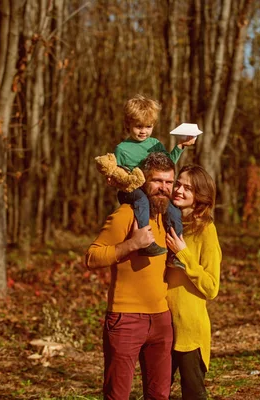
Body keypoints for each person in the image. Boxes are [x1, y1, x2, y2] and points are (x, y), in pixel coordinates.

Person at [85, 152, 177, 400]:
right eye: (157, 181)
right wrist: (131, 244)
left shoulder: (166, 218)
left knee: (159, 395)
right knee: (117, 395)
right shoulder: (126, 214)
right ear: (143, 181)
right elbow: (92, 257)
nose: (163, 188)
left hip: (161, 319)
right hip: (126, 319)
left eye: (169, 182)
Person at [164, 165, 222, 400]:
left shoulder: (206, 230)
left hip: (190, 331)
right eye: (178, 184)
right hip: (163, 327)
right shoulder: (166, 223)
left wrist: (184, 254)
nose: (178, 190)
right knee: (156, 393)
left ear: (200, 196)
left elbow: (211, 287)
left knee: (193, 395)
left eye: (188, 188)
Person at [114, 94, 196, 260]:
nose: (143, 131)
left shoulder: (155, 144)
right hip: (131, 190)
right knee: (142, 200)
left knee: (173, 210)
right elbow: (116, 173)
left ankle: (176, 250)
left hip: (152, 188)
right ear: (128, 125)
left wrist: (180, 146)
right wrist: (115, 178)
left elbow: (167, 166)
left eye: (148, 126)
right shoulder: (122, 149)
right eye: (138, 126)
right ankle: (145, 242)